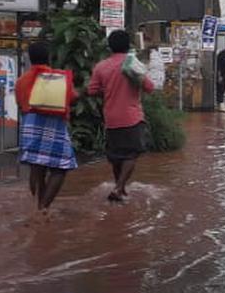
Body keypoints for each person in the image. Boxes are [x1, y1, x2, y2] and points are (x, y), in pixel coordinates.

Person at [88, 30, 155, 202]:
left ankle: (120, 188)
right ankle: (118, 188)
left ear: (110, 46)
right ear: (128, 46)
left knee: (116, 157)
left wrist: (108, 90)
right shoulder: (133, 64)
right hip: (132, 117)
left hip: (111, 118)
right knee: (131, 154)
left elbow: (92, 90)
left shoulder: (101, 66)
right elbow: (149, 87)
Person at [15, 41, 77, 214]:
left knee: (38, 166)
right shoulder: (57, 78)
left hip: (29, 124)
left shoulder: (21, 80)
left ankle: (39, 206)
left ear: (30, 58)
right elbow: (72, 96)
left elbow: (20, 103)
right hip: (54, 125)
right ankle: (44, 207)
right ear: (49, 57)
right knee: (60, 168)